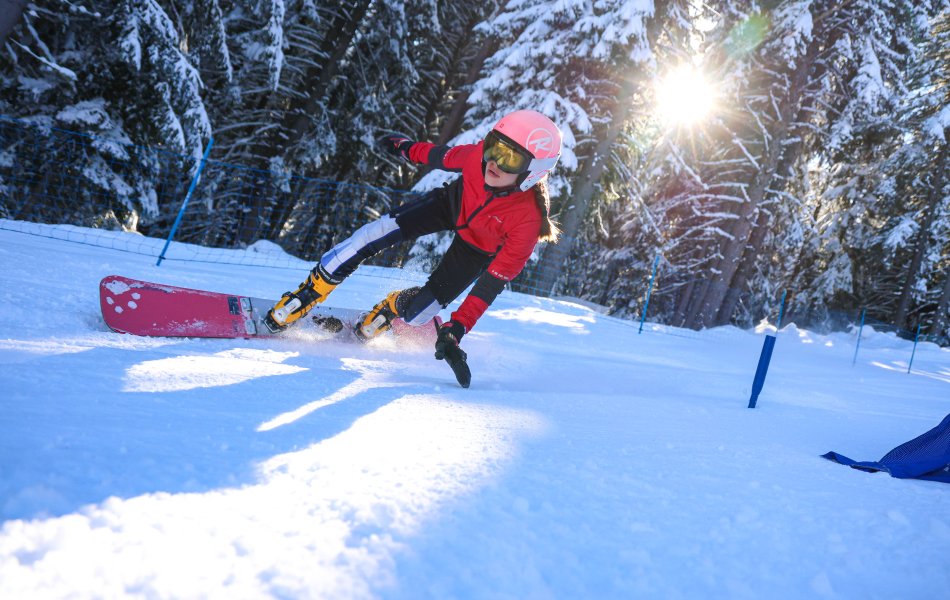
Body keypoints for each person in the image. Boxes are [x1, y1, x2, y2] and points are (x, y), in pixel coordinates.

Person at [263, 109, 562, 377]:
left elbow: (490, 285)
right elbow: (438, 155)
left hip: (477, 249)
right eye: (494, 146)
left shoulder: (528, 222)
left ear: (532, 172)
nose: (494, 161)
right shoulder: (477, 158)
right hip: (450, 205)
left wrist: (456, 329)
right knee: (373, 233)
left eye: (511, 158)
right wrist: (406, 148)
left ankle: (392, 306)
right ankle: (307, 295)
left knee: (419, 315)